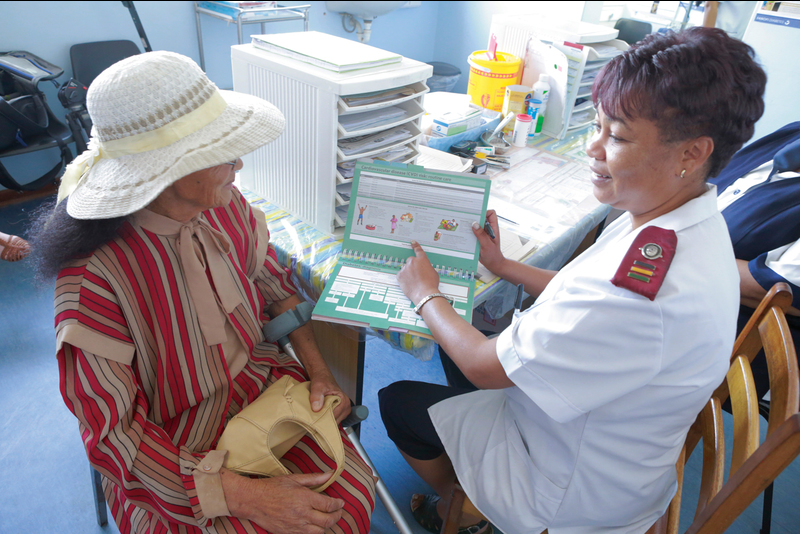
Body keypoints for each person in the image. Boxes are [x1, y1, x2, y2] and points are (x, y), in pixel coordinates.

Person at [379, 27, 766, 534]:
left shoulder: (635, 292)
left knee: (398, 400)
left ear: (691, 154)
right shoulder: (679, 221)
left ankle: (465, 510)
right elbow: (576, 287)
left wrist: (423, 292)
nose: (594, 147)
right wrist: (505, 267)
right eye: (598, 125)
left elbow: (480, 365)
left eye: (619, 137)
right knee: (478, 329)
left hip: (567, 492)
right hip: (624, 455)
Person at [28, 51, 375, 534]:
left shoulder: (226, 208)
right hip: (168, 447)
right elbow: (115, 437)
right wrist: (241, 495)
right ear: (168, 168)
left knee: (351, 501)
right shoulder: (94, 282)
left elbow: (276, 288)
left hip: (261, 388)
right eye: (222, 151)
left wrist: (321, 374)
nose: (239, 162)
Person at [710, 122, 800, 401]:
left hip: (726, 337)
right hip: (671, 286)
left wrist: (671, 252)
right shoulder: (793, 134)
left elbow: (774, 287)